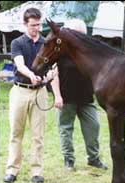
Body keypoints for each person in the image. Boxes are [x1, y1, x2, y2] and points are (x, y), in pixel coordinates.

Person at [50, 19, 107, 171]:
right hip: (66, 99)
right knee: (65, 130)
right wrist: (57, 96)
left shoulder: (90, 52)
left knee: (93, 128)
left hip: (87, 98)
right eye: (77, 35)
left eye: (82, 35)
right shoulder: (60, 51)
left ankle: (93, 159)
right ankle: (69, 160)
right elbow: (54, 75)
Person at [3, 8, 47, 183]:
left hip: (40, 93)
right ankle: (12, 170)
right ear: (25, 24)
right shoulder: (17, 42)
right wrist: (31, 75)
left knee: (38, 135)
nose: (37, 28)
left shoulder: (46, 43)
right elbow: (19, 64)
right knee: (16, 133)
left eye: (39, 24)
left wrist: (48, 76)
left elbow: (53, 68)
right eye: (33, 25)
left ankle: (36, 171)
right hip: (20, 90)